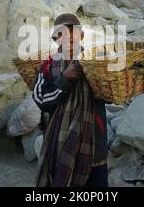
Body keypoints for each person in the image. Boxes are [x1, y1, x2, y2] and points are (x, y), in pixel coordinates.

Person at [33, 13, 109, 187]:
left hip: (93, 144)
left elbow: (111, 96)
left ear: (81, 35)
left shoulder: (96, 61)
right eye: (62, 33)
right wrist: (63, 79)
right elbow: (41, 100)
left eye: (73, 32)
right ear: (56, 39)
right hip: (58, 144)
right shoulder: (47, 66)